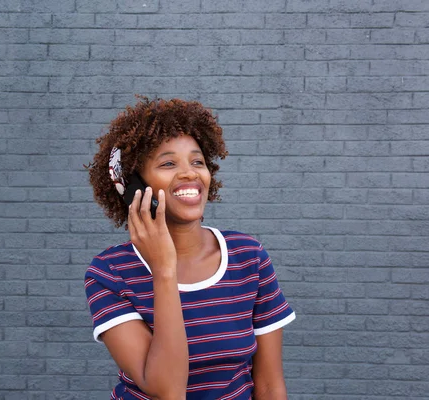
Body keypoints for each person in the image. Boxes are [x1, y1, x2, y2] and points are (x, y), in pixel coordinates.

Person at [85, 97, 295, 400]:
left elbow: (270, 386)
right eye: (168, 163)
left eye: (198, 161)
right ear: (134, 187)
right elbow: (166, 390)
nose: (190, 173)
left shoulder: (248, 257)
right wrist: (164, 270)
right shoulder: (110, 273)